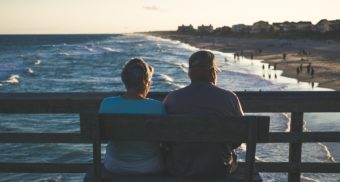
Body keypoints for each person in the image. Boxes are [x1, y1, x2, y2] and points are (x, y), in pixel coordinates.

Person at [163, 50, 244, 179]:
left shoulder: (172, 98)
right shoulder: (230, 98)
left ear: (189, 73)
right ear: (212, 72)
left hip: (180, 168)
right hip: (220, 168)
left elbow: (165, 137)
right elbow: (240, 135)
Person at [99, 58, 164, 174]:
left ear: (124, 80)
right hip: (148, 166)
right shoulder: (157, 107)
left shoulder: (107, 103)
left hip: (114, 165)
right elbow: (165, 140)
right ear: (146, 82)